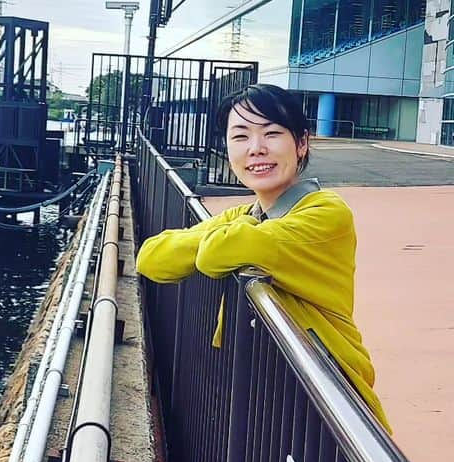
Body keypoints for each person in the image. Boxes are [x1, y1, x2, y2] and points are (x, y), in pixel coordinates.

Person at [135, 83, 391, 433]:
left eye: (271, 133)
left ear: (302, 144)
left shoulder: (325, 213)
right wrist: (233, 230)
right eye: (240, 137)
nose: (256, 149)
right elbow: (150, 258)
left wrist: (225, 234)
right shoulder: (249, 215)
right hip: (272, 399)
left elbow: (215, 254)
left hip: (331, 402)